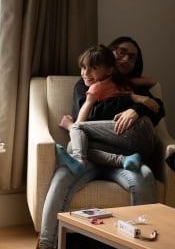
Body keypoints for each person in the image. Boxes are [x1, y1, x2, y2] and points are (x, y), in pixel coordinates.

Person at [31, 36, 165, 249]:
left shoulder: (134, 86)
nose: (126, 58)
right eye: (121, 52)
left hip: (126, 159)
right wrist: (129, 102)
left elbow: (158, 109)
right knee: (62, 175)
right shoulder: (86, 84)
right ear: (111, 55)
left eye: (132, 56)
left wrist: (137, 109)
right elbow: (90, 117)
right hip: (93, 154)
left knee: (144, 177)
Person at [55, 45, 159, 175]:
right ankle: (124, 160)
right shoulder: (123, 83)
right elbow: (152, 81)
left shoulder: (96, 87)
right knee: (77, 145)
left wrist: (70, 126)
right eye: (83, 67)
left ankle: (79, 161)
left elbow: (80, 122)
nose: (86, 73)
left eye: (93, 68)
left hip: (134, 129)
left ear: (109, 70)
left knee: (76, 136)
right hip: (144, 146)